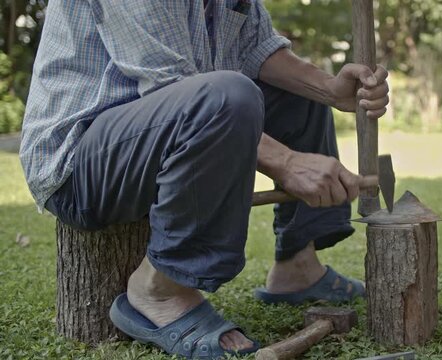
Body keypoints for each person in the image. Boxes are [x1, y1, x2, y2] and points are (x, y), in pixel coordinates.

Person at [19, 0, 389, 358]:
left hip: (155, 130)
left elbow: (256, 49)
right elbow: (174, 83)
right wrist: (288, 163)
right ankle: (160, 291)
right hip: (78, 160)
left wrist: (328, 89)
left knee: (298, 93)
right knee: (228, 94)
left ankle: (298, 266)